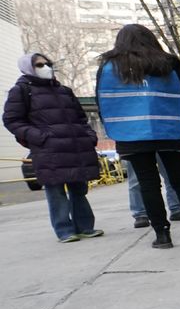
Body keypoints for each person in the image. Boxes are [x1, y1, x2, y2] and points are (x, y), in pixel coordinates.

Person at [96, 24, 180, 248]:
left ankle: (162, 235)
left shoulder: (111, 67)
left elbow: (104, 100)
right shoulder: (169, 64)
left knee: (148, 185)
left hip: (132, 134)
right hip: (169, 130)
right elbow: (178, 95)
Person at [3, 52, 104, 243]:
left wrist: (89, 136)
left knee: (79, 189)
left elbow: (81, 118)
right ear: (28, 68)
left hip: (76, 148)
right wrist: (39, 137)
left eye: (47, 63)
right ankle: (64, 230)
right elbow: (12, 120)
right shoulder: (22, 90)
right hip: (49, 151)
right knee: (56, 192)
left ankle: (85, 227)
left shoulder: (64, 90)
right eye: (40, 65)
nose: (46, 67)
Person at [125, 157, 180, 228]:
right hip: (134, 147)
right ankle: (140, 214)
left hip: (160, 146)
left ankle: (176, 208)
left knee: (170, 174)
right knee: (135, 179)